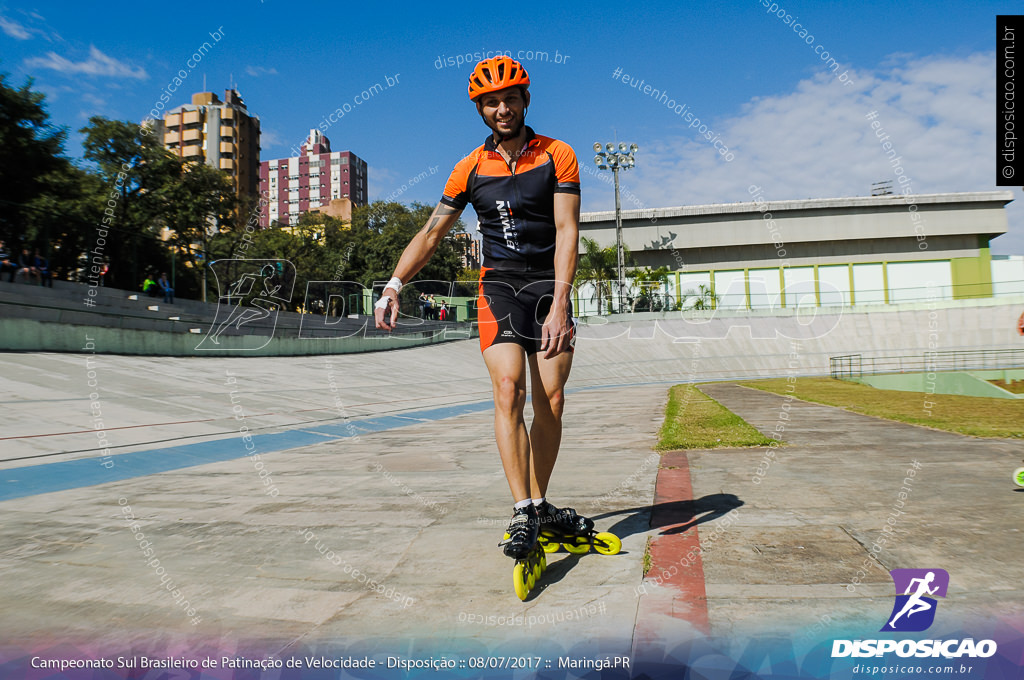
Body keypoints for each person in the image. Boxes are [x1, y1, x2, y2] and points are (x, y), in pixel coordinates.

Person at [374, 56, 588, 565]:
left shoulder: (558, 154)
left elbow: (567, 230)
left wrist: (560, 303)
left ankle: (538, 503)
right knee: (508, 388)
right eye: (491, 102)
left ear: (525, 100)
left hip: (548, 288)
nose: (502, 108)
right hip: (499, 288)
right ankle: (524, 510)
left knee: (551, 399)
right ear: (480, 109)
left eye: (510, 98)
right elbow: (432, 232)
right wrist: (394, 284)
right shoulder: (469, 167)